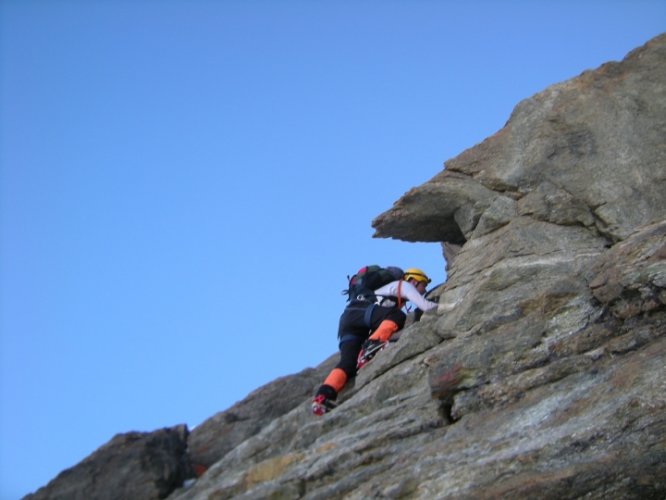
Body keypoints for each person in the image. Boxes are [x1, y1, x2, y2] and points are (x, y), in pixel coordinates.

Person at [311, 267, 438, 416]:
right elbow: (426, 306)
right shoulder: (403, 285)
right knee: (397, 316)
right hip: (363, 312)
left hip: (347, 319)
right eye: (423, 284)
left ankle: (323, 396)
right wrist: (447, 305)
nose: (424, 289)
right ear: (413, 280)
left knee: (348, 364)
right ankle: (371, 346)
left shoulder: (380, 292)